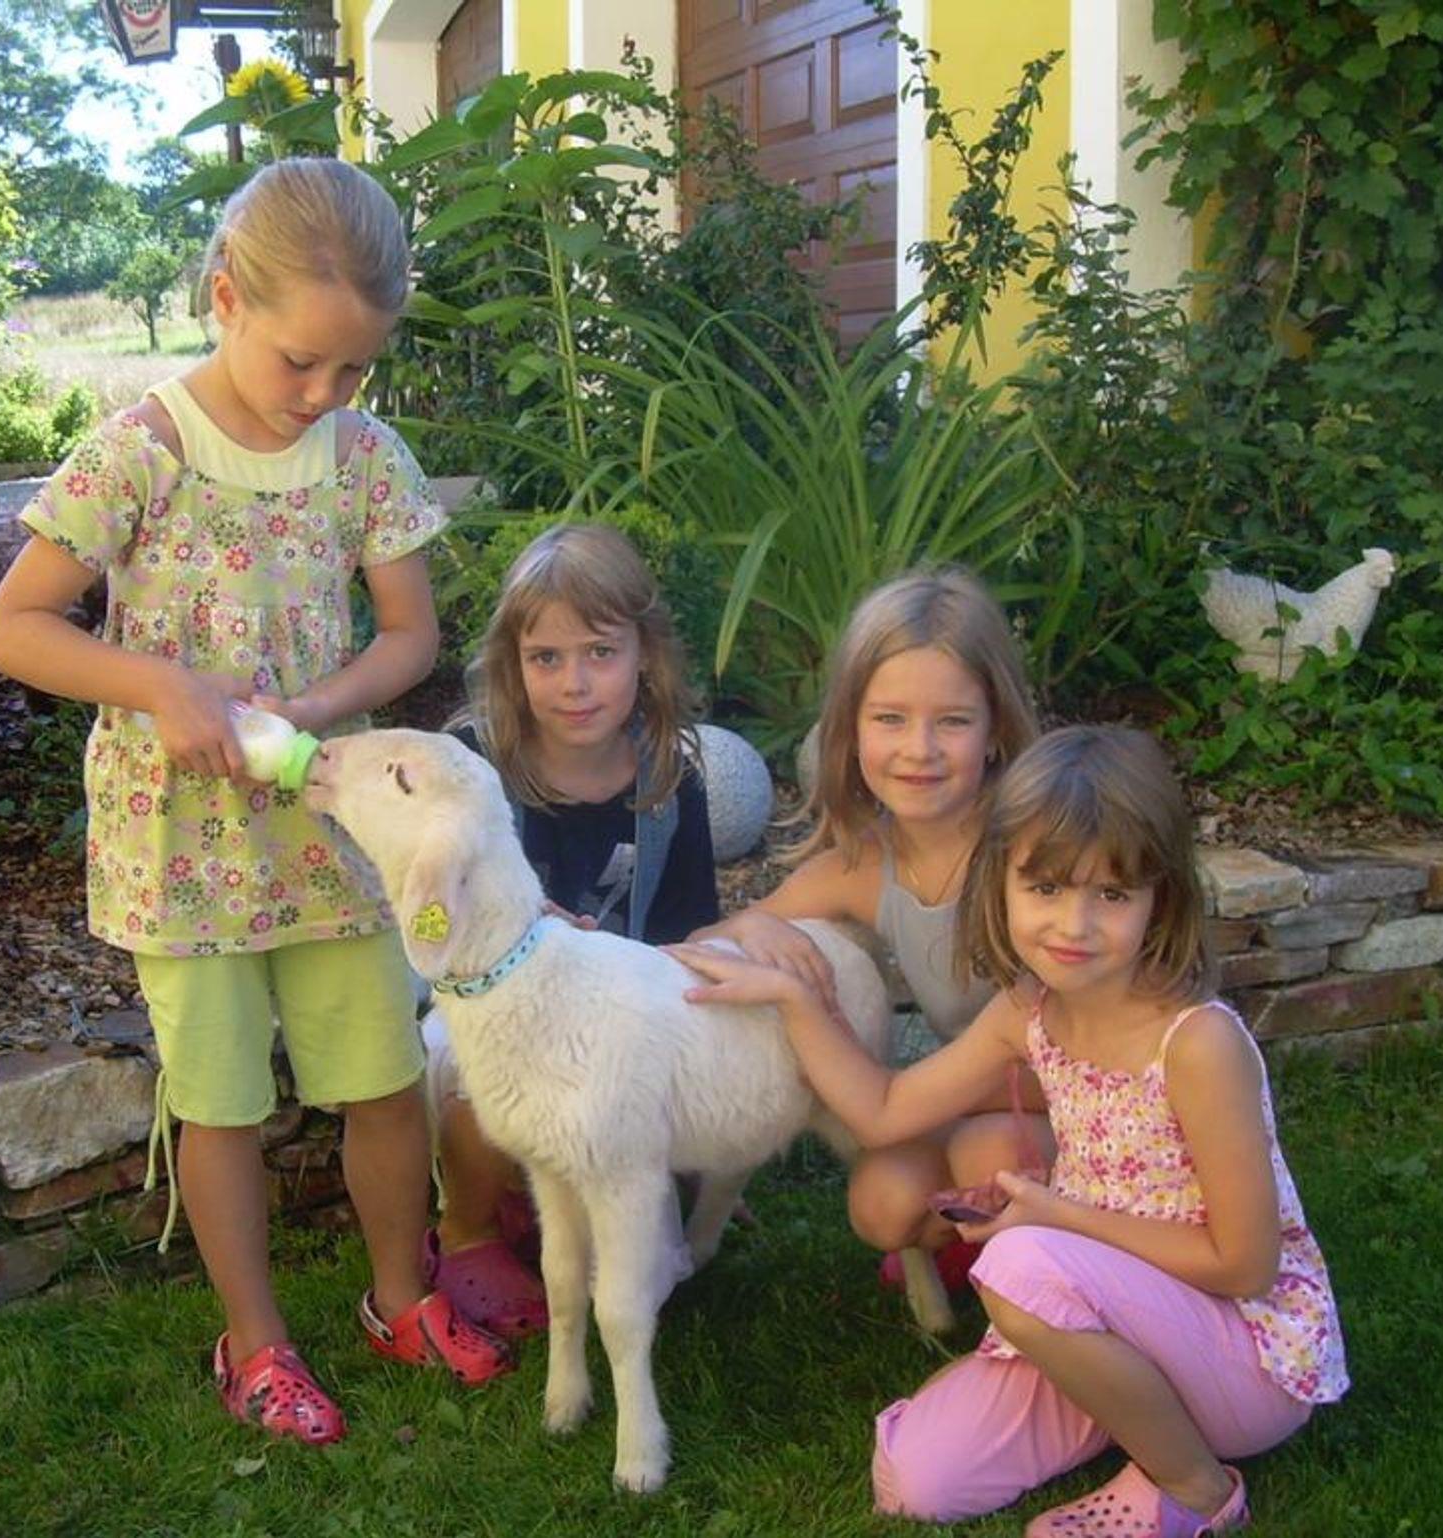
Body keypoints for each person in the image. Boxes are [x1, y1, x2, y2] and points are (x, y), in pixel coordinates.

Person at [0, 157, 512, 1450]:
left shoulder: (365, 456)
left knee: (382, 1075)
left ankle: (400, 1296)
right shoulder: (141, 450)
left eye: (353, 370)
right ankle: (256, 1341)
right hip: (182, 844)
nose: (323, 394)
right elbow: (14, 626)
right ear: (226, 299)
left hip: (328, 829)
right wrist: (161, 683)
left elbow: (409, 635)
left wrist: (318, 705)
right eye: (300, 361)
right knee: (218, 1096)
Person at [672, 726, 1347, 1531]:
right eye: (1046, 888)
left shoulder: (1197, 1043)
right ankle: (1119, 1406)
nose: (1074, 925)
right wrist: (796, 1000)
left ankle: (1196, 1489)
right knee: (915, 1480)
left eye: (1112, 895)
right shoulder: (1028, 1009)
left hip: (1245, 1359)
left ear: (1161, 899)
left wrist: (1056, 1216)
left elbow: (1242, 1265)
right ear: (1002, 885)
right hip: (1097, 1318)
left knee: (1022, 1263)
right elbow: (883, 1110)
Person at [688, 568, 1044, 1300]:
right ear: (849, 728)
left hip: (1089, 1107)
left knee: (990, 1153)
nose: (920, 748)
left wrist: (911, 1100)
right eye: (889, 719)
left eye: (953, 721)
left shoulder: (1038, 847)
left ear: (996, 728)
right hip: (971, 1097)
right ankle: (978, 1238)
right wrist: (754, 923)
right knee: (882, 1203)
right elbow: (703, 942)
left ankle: (1050, 1300)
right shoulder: (860, 867)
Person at [422, 522, 721, 1336]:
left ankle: (604, 1199)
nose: (575, 684)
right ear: (511, 666)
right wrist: (508, 930)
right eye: (546, 658)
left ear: (644, 655)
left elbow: (688, 936)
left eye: (600, 652)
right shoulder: (471, 765)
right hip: (481, 1009)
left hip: (607, 1015)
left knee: (653, 1268)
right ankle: (470, 1231)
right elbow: (423, 916)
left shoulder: (669, 778)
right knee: (483, 1076)